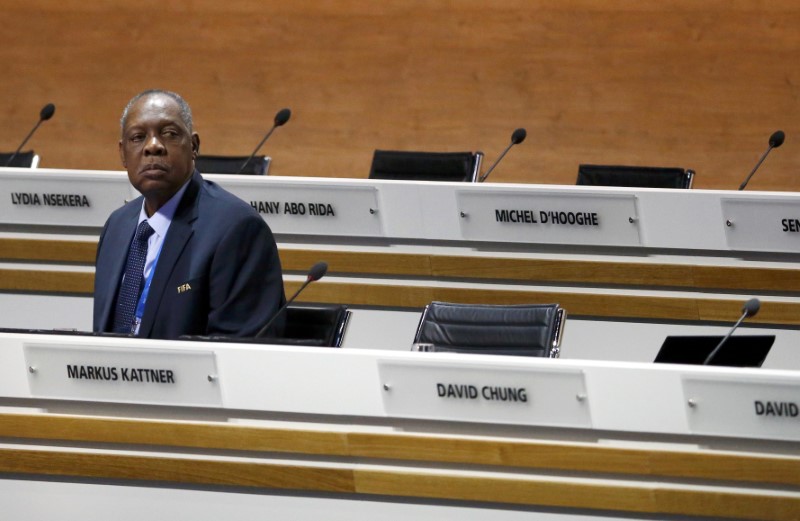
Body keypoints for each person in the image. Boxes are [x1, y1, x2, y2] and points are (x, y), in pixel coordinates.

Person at [93, 89, 285, 339]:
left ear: (193, 146)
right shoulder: (117, 226)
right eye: (138, 137)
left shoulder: (237, 229)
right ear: (122, 154)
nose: (153, 146)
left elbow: (239, 351)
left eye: (169, 134)